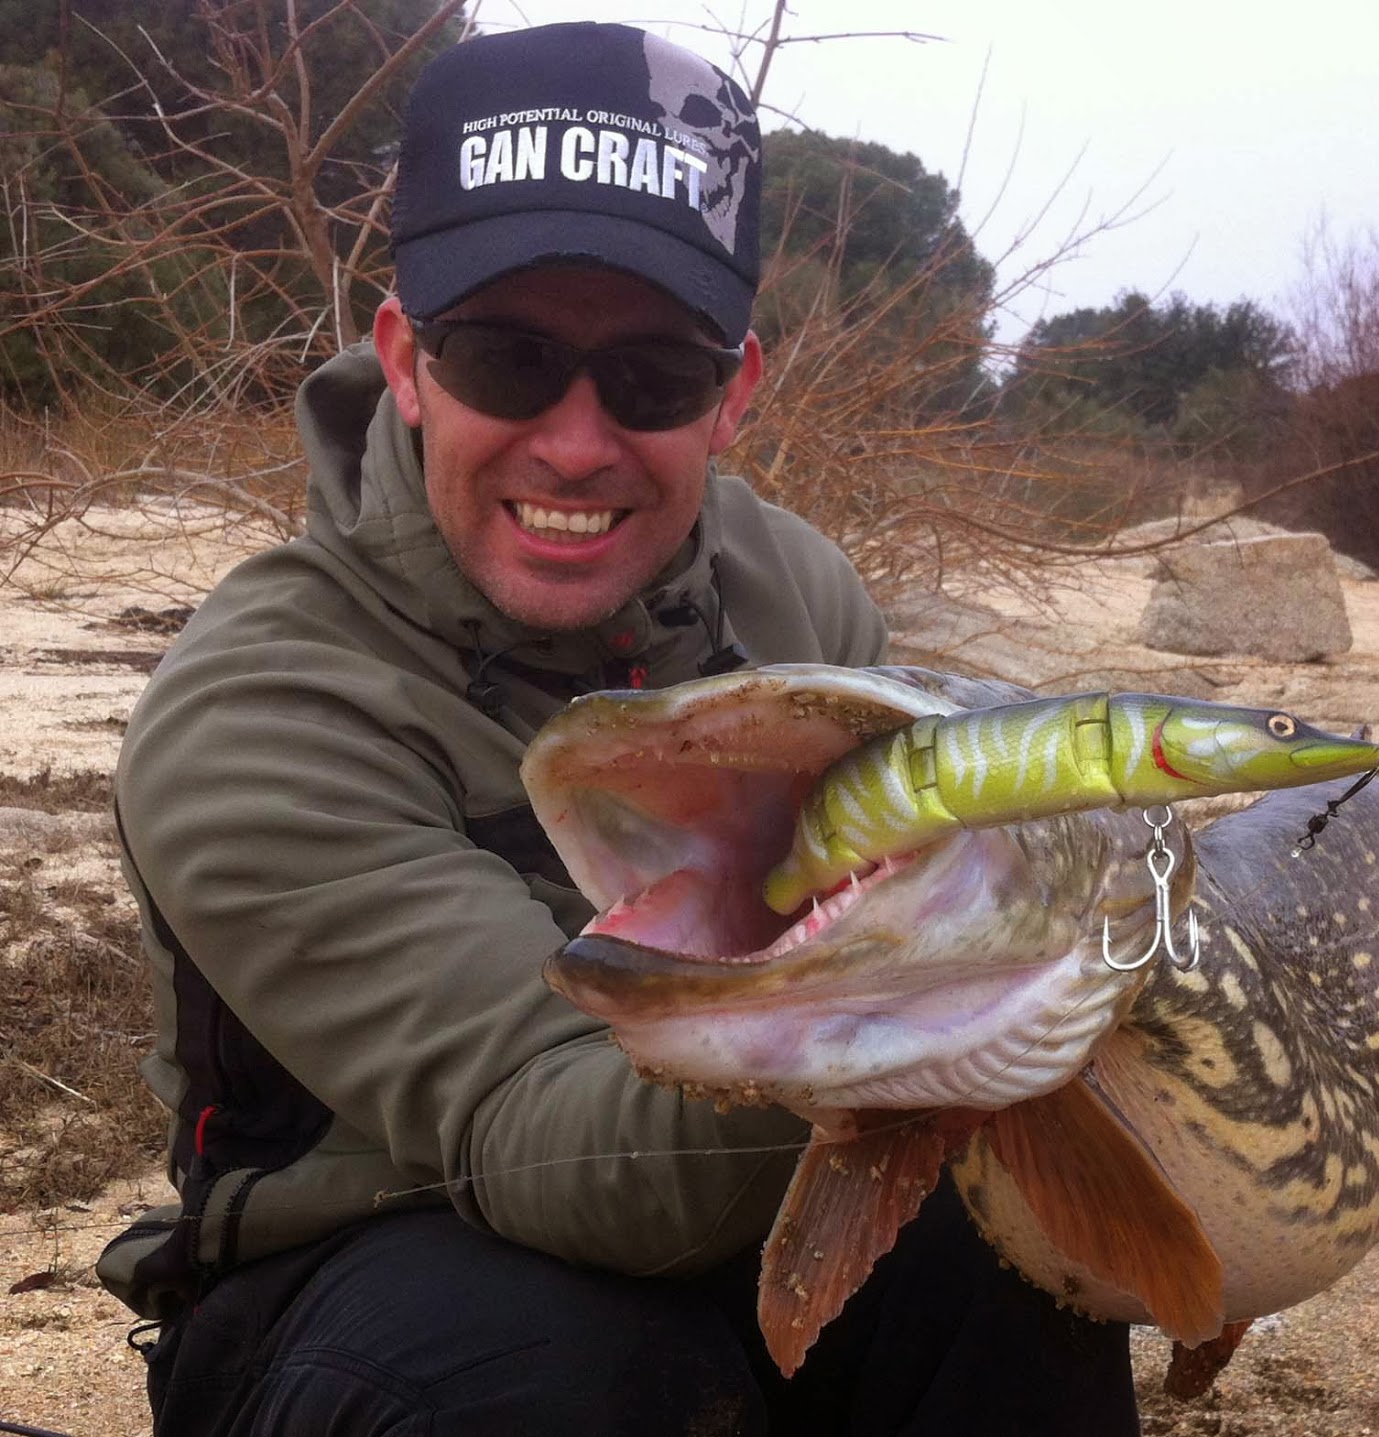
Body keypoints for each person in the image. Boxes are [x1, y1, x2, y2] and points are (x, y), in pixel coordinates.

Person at [97, 21, 1138, 1436]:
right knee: (547, 1370)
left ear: (735, 393)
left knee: (1008, 1266)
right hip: (357, 1278)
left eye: (652, 375)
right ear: (407, 361)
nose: (577, 441)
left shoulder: (800, 598)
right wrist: (965, 1002)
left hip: (747, 1199)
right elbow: (546, 1142)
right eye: (508, 358)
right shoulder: (257, 712)